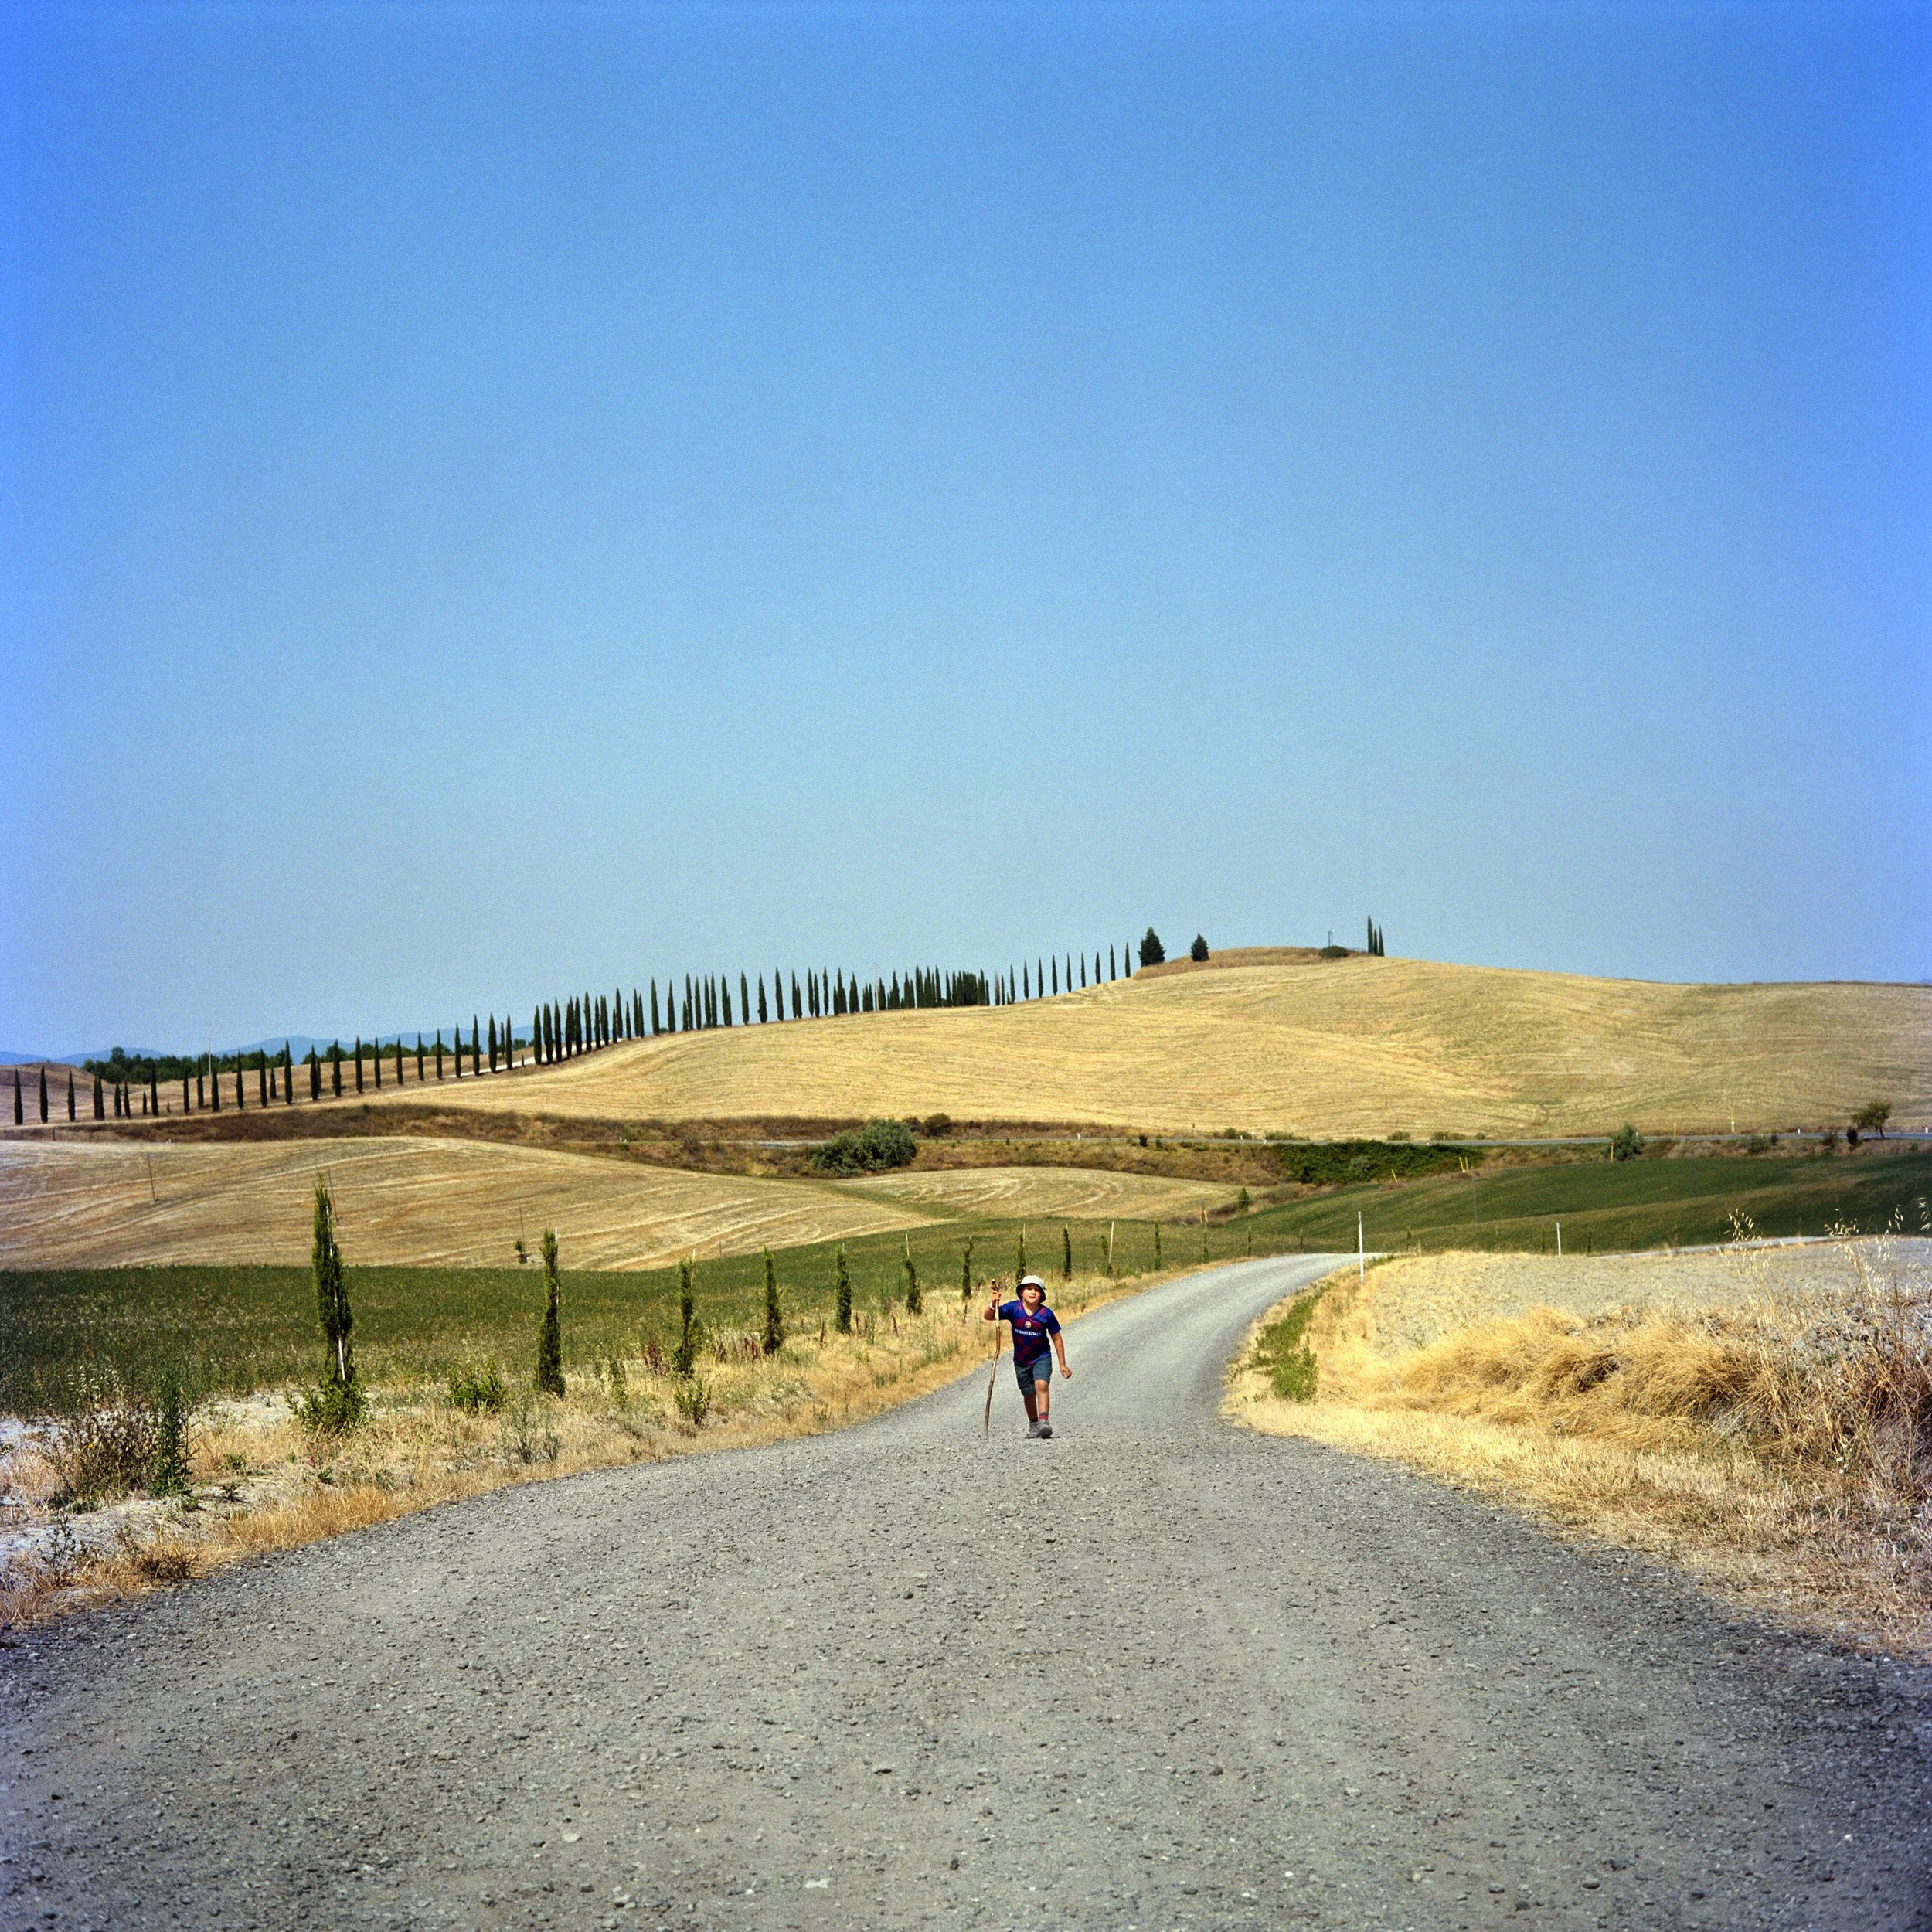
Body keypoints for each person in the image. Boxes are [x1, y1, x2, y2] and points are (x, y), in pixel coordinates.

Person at [984, 1273, 1070, 1439]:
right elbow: (988, 1316)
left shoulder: (1046, 1314)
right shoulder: (1013, 1309)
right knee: (1028, 1393)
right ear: (1021, 1292)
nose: (1033, 1292)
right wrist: (993, 1303)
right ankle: (1034, 1424)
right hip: (1022, 1360)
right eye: (1029, 1288)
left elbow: (1057, 1337)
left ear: (1042, 1296)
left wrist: (1062, 1364)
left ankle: (1044, 1422)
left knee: (1041, 1386)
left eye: (1037, 1290)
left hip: (1042, 1357)